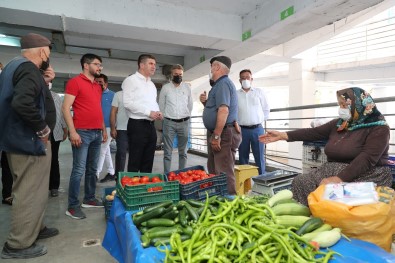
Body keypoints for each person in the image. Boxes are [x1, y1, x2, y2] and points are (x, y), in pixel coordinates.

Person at [259, 87, 392, 206]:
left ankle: (331, 222)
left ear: (358, 105)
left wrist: (339, 179)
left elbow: (367, 159)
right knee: (301, 181)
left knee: (334, 193)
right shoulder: (340, 124)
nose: (341, 109)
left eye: (345, 105)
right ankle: (311, 219)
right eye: (340, 105)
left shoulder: (379, 128)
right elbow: (313, 133)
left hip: (366, 172)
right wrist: (283, 135)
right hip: (332, 169)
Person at [0, 33, 58, 259]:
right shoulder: (28, 69)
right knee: (28, 192)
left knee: (32, 189)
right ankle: (18, 244)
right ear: (43, 52)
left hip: (18, 140)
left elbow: (25, 96)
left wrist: (43, 81)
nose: (48, 57)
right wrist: (43, 130)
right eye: (49, 53)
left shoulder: (14, 67)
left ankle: (36, 227)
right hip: (30, 142)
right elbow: (22, 103)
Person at [62, 53, 107, 220]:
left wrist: (103, 129)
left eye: (100, 65)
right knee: (78, 170)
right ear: (86, 65)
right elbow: (66, 108)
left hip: (96, 132)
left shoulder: (97, 86)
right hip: (81, 132)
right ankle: (72, 206)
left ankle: (89, 199)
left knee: (92, 169)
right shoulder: (75, 82)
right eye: (96, 64)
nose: (99, 67)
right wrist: (72, 131)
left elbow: (97, 109)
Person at [199, 56, 242, 195]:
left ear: (217, 67)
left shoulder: (223, 84)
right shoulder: (218, 85)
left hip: (223, 133)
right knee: (214, 168)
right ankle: (219, 199)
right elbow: (217, 109)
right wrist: (206, 104)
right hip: (218, 131)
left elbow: (224, 110)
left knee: (223, 171)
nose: (210, 70)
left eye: (211, 66)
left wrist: (217, 135)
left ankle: (230, 203)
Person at [122, 54, 163, 173]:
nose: (154, 67)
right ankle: (133, 189)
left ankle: (145, 188)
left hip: (150, 126)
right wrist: (148, 112)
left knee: (148, 161)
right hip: (137, 125)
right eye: (151, 64)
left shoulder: (151, 84)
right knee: (135, 161)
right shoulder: (131, 80)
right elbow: (127, 103)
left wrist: (157, 112)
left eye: (155, 64)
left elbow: (152, 103)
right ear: (141, 65)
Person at [159, 64, 193, 174]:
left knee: (183, 152)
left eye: (180, 74)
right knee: (167, 152)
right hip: (169, 122)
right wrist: (166, 117)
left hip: (184, 122)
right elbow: (161, 106)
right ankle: (167, 175)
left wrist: (185, 115)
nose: (178, 76)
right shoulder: (166, 88)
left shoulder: (187, 88)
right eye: (176, 74)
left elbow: (190, 105)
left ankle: (181, 174)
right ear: (171, 75)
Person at [237, 69, 270, 174]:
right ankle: (245, 184)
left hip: (257, 129)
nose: (245, 79)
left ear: (251, 79)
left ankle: (261, 181)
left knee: (259, 157)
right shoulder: (236, 94)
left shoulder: (259, 92)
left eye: (248, 77)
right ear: (239, 80)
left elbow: (266, 108)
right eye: (243, 78)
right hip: (242, 130)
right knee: (243, 157)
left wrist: (257, 120)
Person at [48, 82, 68, 197]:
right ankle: (41, 186)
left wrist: (65, 129)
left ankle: (54, 186)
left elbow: (61, 114)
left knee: (54, 159)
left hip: (54, 132)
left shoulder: (55, 96)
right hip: (38, 132)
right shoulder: (34, 93)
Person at [95, 74, 115, 183]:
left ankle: (95, 174)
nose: (98, 84)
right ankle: (111, 173)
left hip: (108, 126)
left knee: (102, 150)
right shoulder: (95, 94)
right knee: (106, 150)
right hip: (97, 126)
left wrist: (114, 128)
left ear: (105, 84)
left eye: (100, 82)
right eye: (96, 82)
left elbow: (116, 112)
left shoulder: (113, 95)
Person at [110, 90, 129, 180]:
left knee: (135, 155)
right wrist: (113, 128)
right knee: (121, 153)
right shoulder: (118, 94)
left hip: (137, 129)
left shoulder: (139, 94)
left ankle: (132, 179)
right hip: (122, 129)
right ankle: (119, 177)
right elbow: (113, 112)